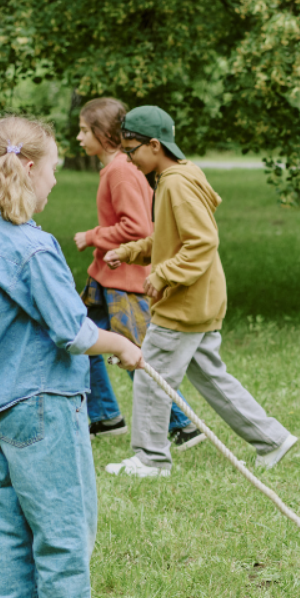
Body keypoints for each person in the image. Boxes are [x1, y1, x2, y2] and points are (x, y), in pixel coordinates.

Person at [0, 114, 143, 598]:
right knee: (62, 526)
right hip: (43, 406)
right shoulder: (31, 246)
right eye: (54, 168)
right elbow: (72, 331)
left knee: (9, 531)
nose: (56, 179)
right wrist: (122, 345)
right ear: (29, 168)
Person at [103, 105, 298, 478]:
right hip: (200, 300)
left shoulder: (176, 184)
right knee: (211, 376)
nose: (128, 159)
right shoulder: (175, 176)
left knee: (151, 376)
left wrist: (163, 275)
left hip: (184, 303)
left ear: (155, 145)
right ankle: (271, 439)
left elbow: (202, 242)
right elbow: (169, 238)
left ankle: (151, 460)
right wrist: (129, 252)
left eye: (131, 150)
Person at [73, 97, 204, 451]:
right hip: (104, 277)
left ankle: (182, 424)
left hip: (125, 281)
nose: (79, 138)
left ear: (104, 134)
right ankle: (105, 416)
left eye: (84, 130)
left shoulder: (120, 171)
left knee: (134, 353)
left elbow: (138, 227)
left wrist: (93, 236)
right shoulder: (115, 169)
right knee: (80, 340)